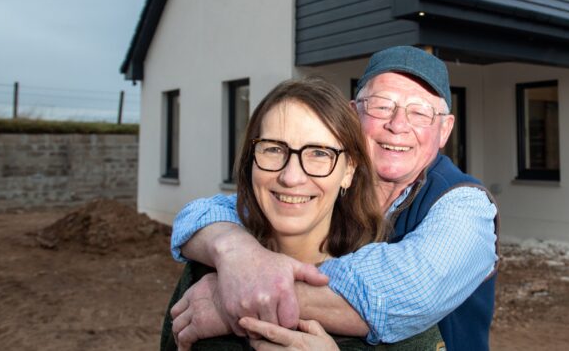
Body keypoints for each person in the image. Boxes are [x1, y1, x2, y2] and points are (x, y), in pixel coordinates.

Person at [171, 46, 499, 350]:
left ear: (444, 130)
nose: (398, 125)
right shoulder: (330, 181)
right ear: (353, 114)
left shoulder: (464, 204)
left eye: (420, 113)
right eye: (382, 105)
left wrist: (236, 297)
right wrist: (235, 250)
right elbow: (210, 211)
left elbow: (409, 291)